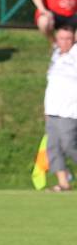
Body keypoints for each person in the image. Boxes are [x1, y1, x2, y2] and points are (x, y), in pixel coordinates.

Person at [44, 25, 77, 191]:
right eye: (61, 38)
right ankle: (63, 183)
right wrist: (46, 110)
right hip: (52, 110)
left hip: (70, 111)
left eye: (68, 38)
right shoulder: (56, 55)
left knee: (69, 145)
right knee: (53, 147)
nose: (65, 42)